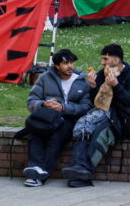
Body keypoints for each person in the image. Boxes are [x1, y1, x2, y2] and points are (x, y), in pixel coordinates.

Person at [62, 44, 130, 188]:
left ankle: (85, 171)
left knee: (100, 133)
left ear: (116, 61)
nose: (102, 62)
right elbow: (95, 103)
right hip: (101, 114)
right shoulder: (102, 73)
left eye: (105, 59)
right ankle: (78, 168)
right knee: (84, 127)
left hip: (120, 119)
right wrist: (92, 87)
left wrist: (116, 85)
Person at [23, 49, 91, 187]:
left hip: (69, 119)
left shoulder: (82, 82)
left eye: (71, 62)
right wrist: (43, 104)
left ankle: (42, 173)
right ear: (57, 66)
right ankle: (35, 167)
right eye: (65, 63)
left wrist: (64, 108)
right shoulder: (45, 78)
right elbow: (31, 101)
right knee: (36, 135)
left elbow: (86, 107)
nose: (70, 66)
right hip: (48, 117)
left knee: (56, 138)